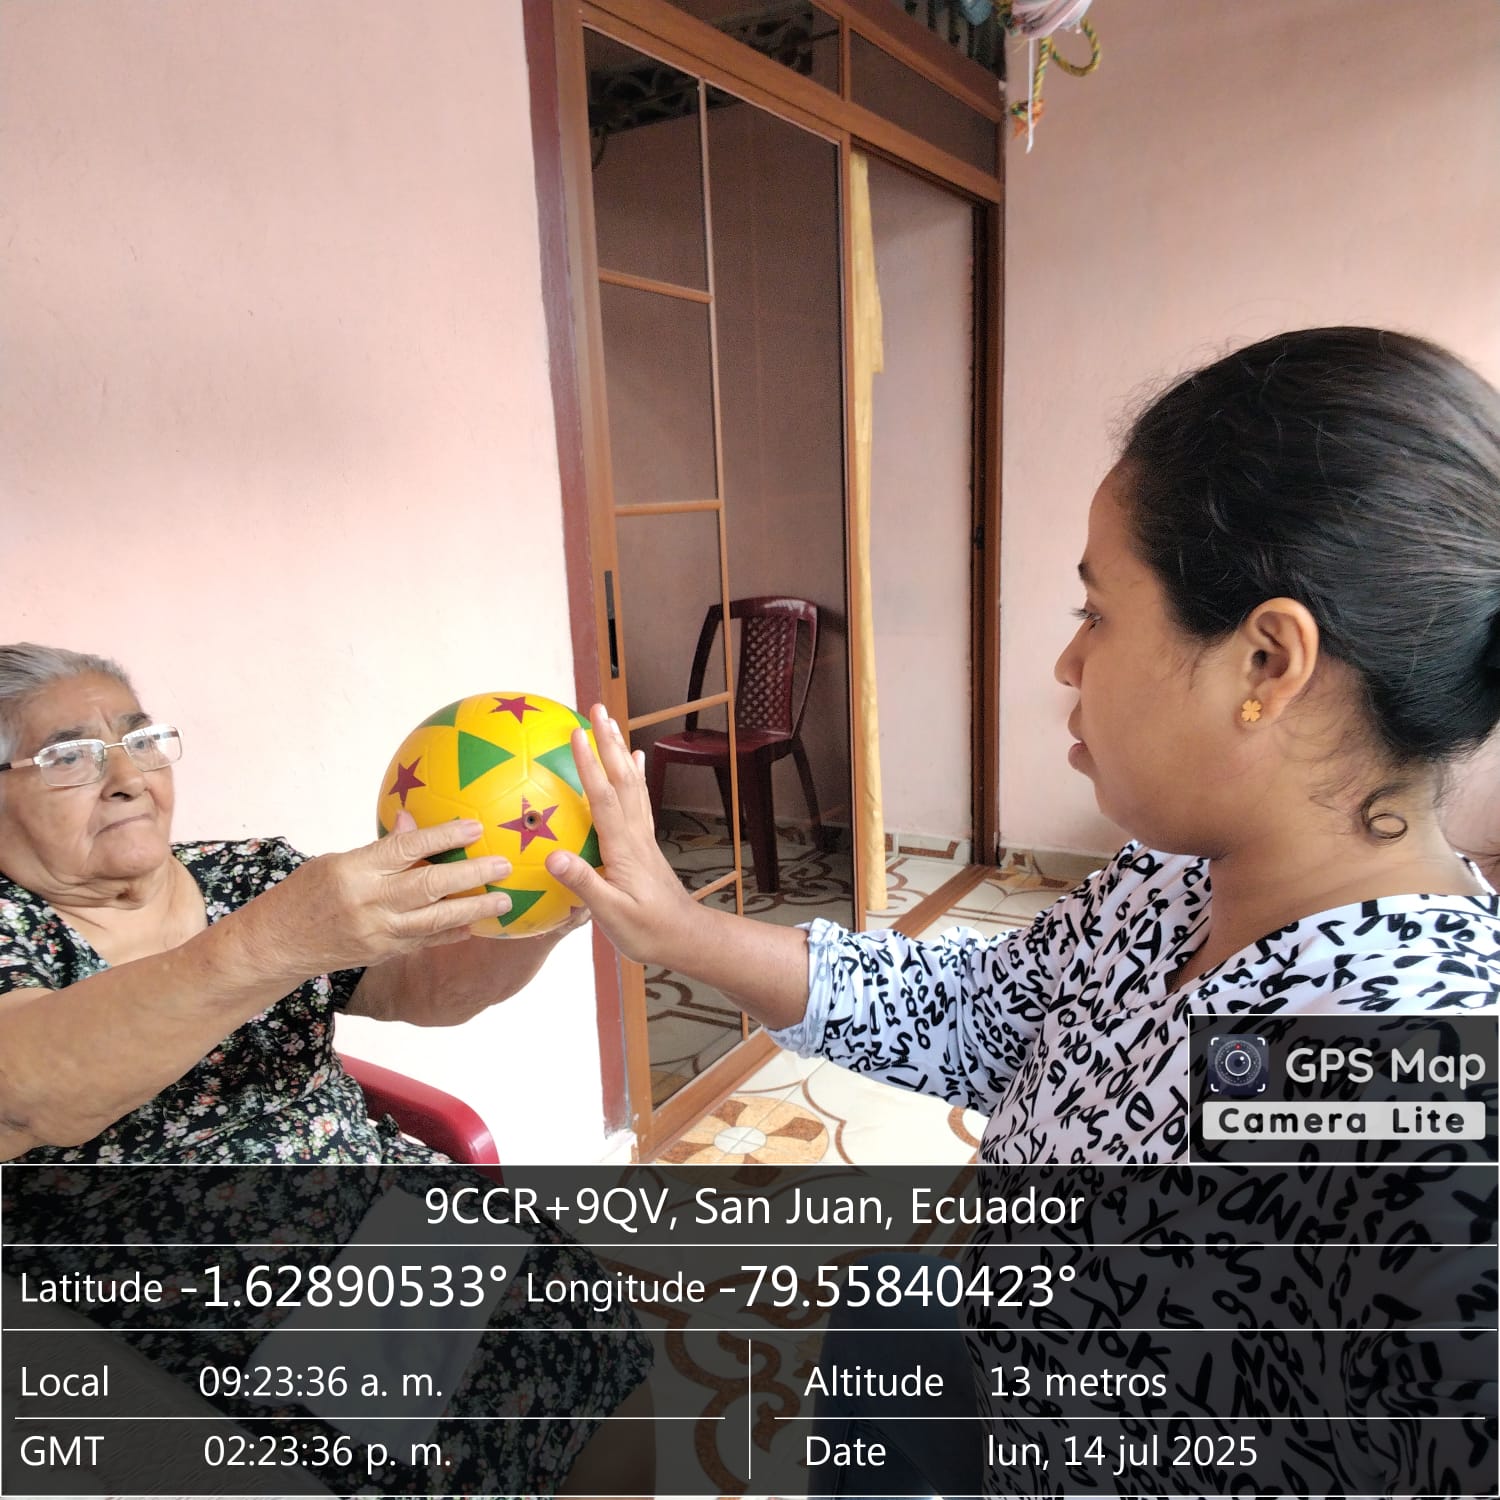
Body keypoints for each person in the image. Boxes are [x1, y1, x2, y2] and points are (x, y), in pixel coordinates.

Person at [546, 326, 1500, 1496]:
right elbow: (978, 1012)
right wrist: (677, 930)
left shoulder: (1417, 1081)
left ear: (1267, 661)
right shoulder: (1172, 880)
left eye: (1097, 613)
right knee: (883, 1317)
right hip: (1004, 1376)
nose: (1067, 663)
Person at [0, 642, 652, 1496]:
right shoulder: (20, 931)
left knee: (580, 1315)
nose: (126, 776)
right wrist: (275, 940)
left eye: (142, 739)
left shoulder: (249, 874)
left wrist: (555, 898)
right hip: (204, 1303)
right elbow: (29, 1096)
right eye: (70, 756)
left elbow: (427, 990)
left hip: (384, 1218)